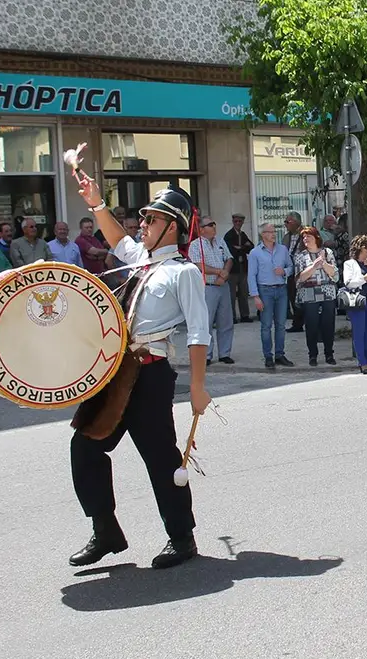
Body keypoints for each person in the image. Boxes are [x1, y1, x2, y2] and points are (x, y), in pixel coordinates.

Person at [68, 168, 212, 570]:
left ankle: (181, 538)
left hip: (151, 373)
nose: (142, 225)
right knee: (85, 444)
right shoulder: (142, 260)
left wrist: (198, 387)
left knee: (161, 458)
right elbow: (117, 239)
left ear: (173, 227)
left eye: (151, 219)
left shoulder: (183, 272)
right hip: (117, 371)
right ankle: (106, 530)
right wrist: (96, 202)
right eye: (144, 218)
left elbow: (199, 333)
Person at [187, 218, 235, 366]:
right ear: (201, 229)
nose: (214, 226)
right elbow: (197, 265)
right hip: (207, 287)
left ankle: (224, 353)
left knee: (226, 321)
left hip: (223, 285)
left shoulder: (220, 241)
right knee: (206, 322)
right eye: (209, 225)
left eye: (214, 223)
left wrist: (225, 272)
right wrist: (218, 272)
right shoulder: (195, 245)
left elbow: (229, 258)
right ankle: (207, 355)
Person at [247, 223, 294, 369]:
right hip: (265, 290)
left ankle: (280, 354)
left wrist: (284, 271)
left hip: (281, 290)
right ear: (263, 234)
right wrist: (255, 296)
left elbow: (291, 267)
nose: (273, 234)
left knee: (281, 325)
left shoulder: (283, 250)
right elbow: (251, 276)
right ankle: (268, 356)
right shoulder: (255, 253)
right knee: (266, 325)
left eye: (275, 231)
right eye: (270, 232)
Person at [294, 228, 339, 366]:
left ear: (316, 237)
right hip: (309, 294)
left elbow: (335, 274)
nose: (306, 239)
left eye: (309, 236)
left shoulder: (328, 252)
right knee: (311, 325)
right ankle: (312, 355)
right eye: (304, 237)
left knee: (328, 325)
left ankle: (329, 354)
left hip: (327, 292)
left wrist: (323, 262)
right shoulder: (301, 256)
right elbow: (300, 278)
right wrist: (314, 266)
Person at [342, 235, 367, 375]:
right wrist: (364, 278)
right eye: (366, 248)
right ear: (359, 249)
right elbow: (348, 282)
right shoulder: (349, 264)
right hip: (357, 301)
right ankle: (362, 362)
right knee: (359, 332)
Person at [224, 213, 254, 324]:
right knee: (231, 295)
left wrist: (240, 248)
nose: (238, 223)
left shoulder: (243, 234)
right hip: (233, 269)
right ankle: (232, 316)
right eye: (236, 221)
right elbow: (230, 251)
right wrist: (242, 248)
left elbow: (251, 247)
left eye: (240, 221)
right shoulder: (229, 235)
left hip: (243, 268)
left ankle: (245, 315)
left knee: (244, 293)